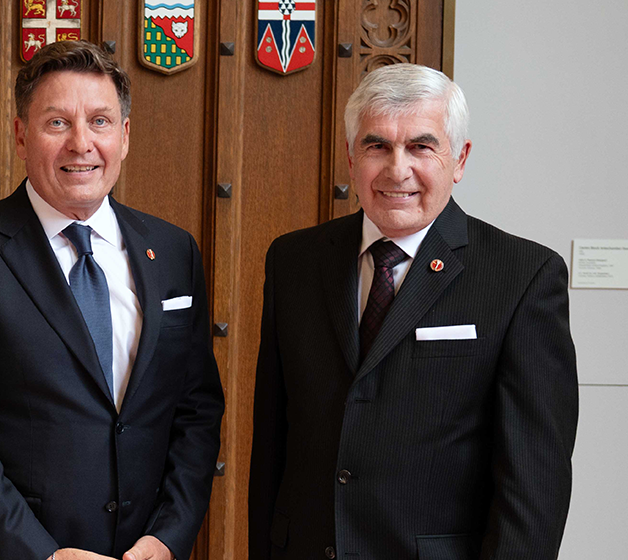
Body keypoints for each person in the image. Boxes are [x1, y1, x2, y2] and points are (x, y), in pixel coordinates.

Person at [0, 40, 225, 560]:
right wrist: (40, 555)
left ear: (124, 136)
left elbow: (195, 411)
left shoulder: (171, 251)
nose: (82, 144)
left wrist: (168, 536)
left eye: (99, 122)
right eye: (57, 123)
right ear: (19, 134)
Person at [248, 63, 579, 559]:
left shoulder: (523, 277)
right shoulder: (294, 261)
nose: (396, 169)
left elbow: (534, 483)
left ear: (460, 159)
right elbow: (273, 444)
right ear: (350, 155)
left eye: (421, 147)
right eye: (376, 145)